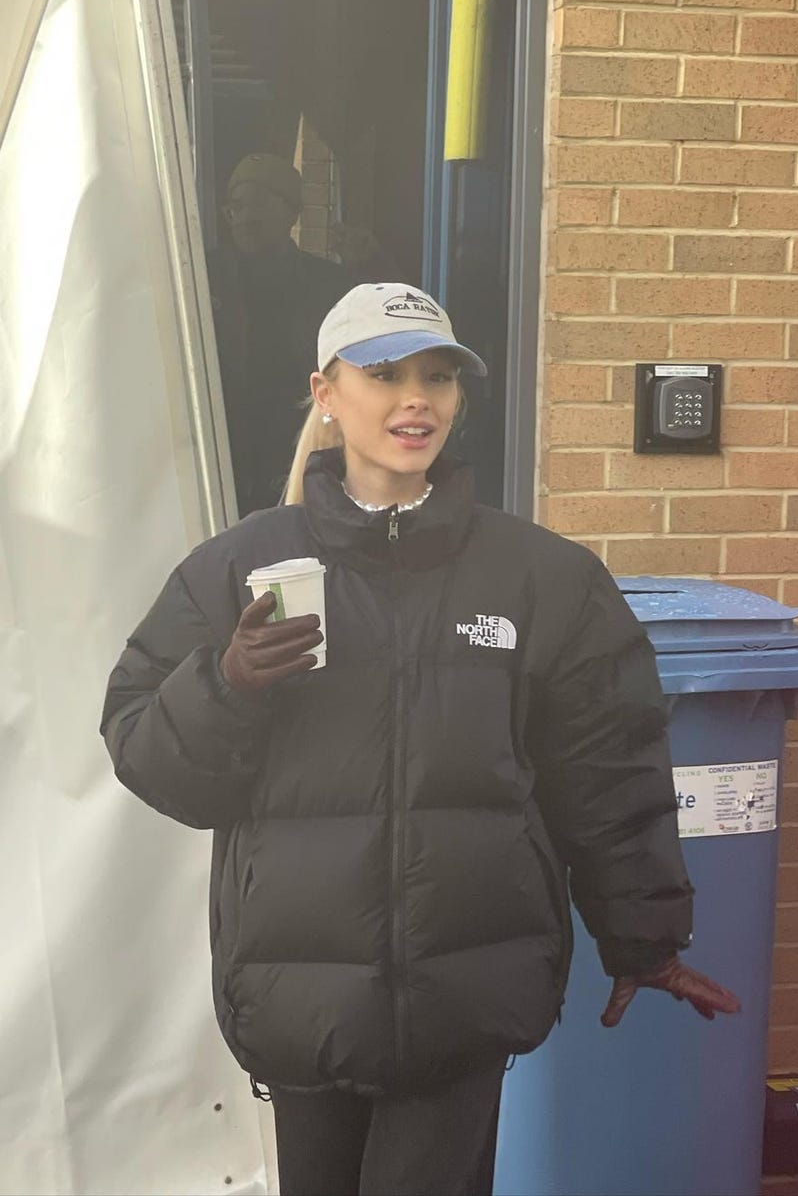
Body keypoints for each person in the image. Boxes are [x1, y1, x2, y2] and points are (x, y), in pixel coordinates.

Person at [101, 283, 739, 1196]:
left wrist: (644, 937)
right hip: (300, 992)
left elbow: (605, 772)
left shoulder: (542, 579)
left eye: (437, 377)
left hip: (466, 993)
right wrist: (227, 683)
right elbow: (152, 760)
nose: (416, 399)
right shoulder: (238, 569)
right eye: (386, 373)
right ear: (326, 392)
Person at [207, 152, 394, 515]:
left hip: (295, 447)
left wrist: (372, 263)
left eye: (258, 204)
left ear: (291, 212)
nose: (245, 218)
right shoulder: (202, 277)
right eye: (236, 207)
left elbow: (388, 327)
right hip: (219, 442)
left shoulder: (326, 283)